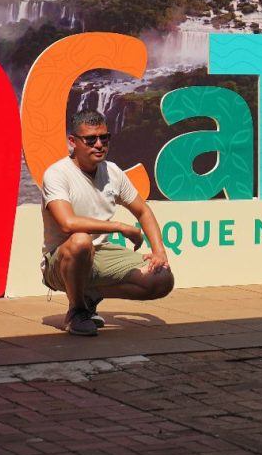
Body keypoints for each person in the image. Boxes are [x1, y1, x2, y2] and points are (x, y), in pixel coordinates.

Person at [41, 109, 174, 336]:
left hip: (100, 254)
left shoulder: (112, 171)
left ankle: (88, 294)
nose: (99, 144)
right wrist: (120, 227)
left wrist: (159, 251)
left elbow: (143, 211)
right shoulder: (57, 174)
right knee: (81, 240)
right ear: (73, 141)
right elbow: (67, 224)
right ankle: (77, 312)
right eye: (90, 139)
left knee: (162, 279)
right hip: (61, 259)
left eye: (104, 138)